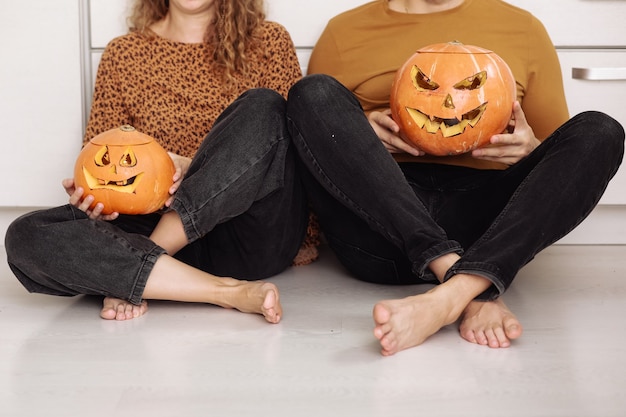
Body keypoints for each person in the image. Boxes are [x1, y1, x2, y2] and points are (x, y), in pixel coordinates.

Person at [285, 0, 625, 355]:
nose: (447, 103)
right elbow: (317, 143)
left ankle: (452, 295)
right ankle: (467, 283)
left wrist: (528, 148)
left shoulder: (523, 28)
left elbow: (563, 157)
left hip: (482, 226)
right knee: (313, 93)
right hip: (383, 226)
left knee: (600, 130)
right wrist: (359, 131)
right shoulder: (344, 31)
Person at [5, 0, 317, 323]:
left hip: (250, 233)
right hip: (153, 226)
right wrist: (93, 201)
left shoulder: (269, 43)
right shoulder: (123, 55)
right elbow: (101, 159)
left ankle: (134, 272)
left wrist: (191, 166)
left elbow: (287, 154)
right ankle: (225, 291)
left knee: (264, 107)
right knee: (24, 236)